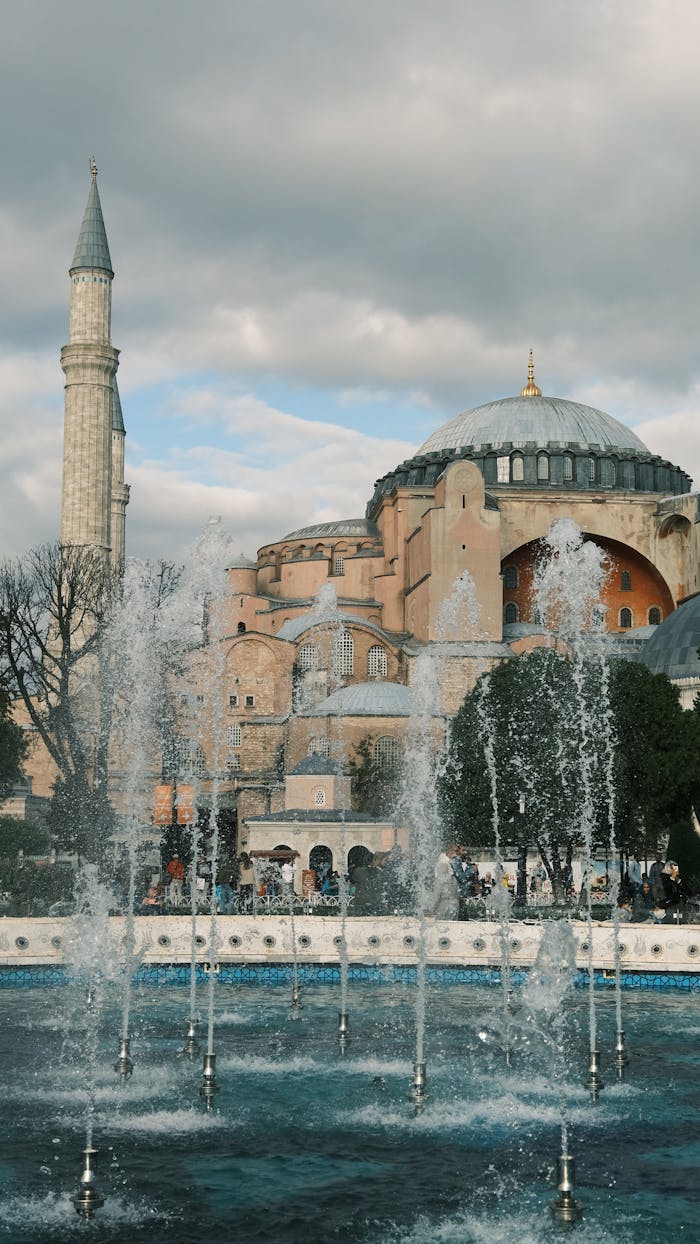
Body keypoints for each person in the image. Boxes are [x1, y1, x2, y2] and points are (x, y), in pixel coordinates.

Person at [433, 845, 460, 920]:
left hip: (444, 904)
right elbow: (458, 892)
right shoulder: (454, 879)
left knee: (441, 927)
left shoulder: (439, 879)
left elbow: (436, 895)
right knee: (453, 927)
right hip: (455, 904)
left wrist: (432, 908)